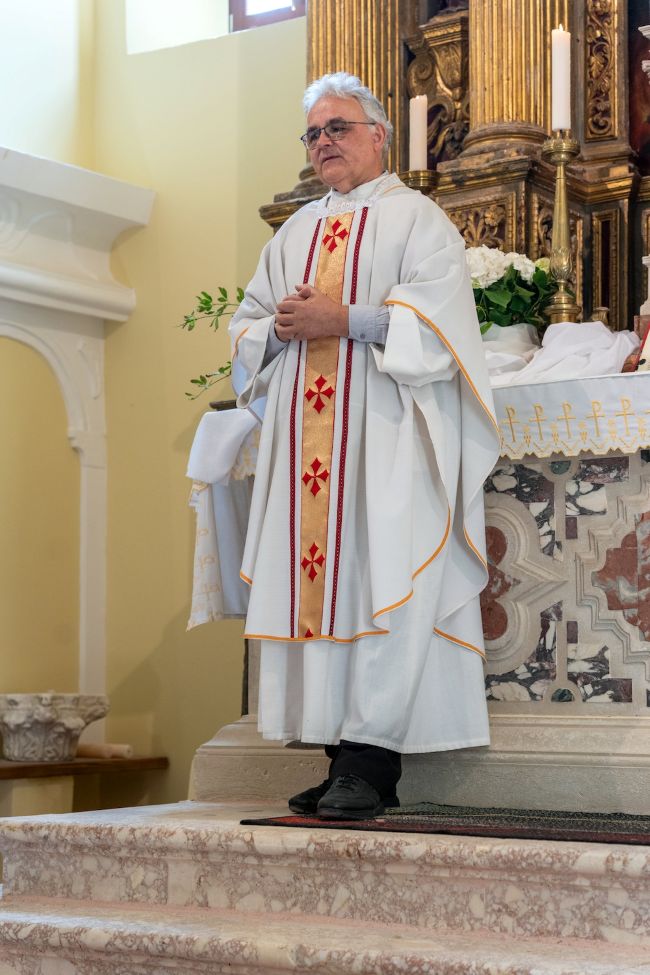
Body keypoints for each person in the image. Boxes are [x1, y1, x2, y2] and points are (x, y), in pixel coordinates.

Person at [228, 72, 500, 820]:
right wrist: (276, 329)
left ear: (379, 135)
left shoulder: (418, 220)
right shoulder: (291, 234)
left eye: (338, 127)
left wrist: (345, 319)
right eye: (313, 133)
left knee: (382, 579)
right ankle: (339, 758)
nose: (324, 142)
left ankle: (372, 761)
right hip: (307, 447)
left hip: (386, 438)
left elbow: (442, 329)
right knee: (327, 588)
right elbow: (247, 326)